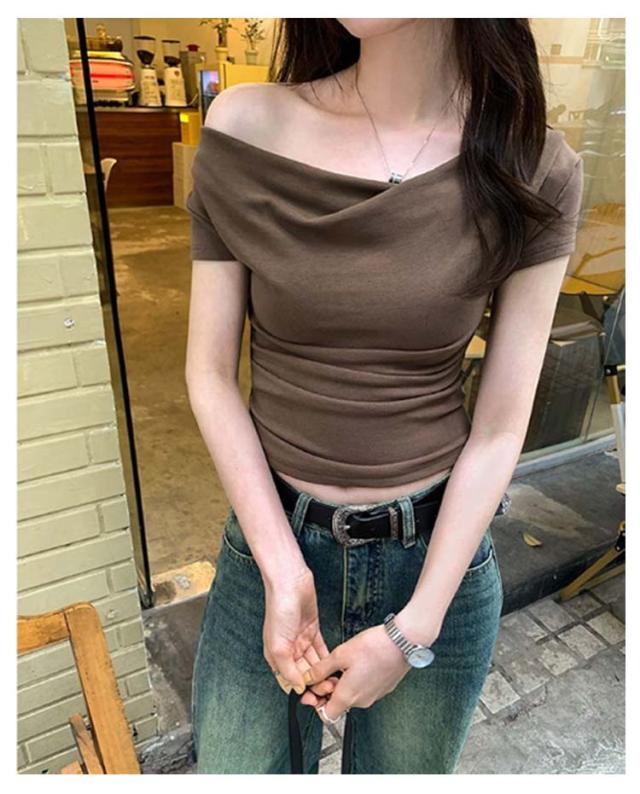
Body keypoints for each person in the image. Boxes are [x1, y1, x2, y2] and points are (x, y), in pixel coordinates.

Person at [185, 18, 583, 774]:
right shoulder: (246, 127)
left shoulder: (530, 165)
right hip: (271, 551)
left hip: (433, 564)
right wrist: (283, 570)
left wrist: (413, 631)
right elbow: (208, 375)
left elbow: (500, 429)